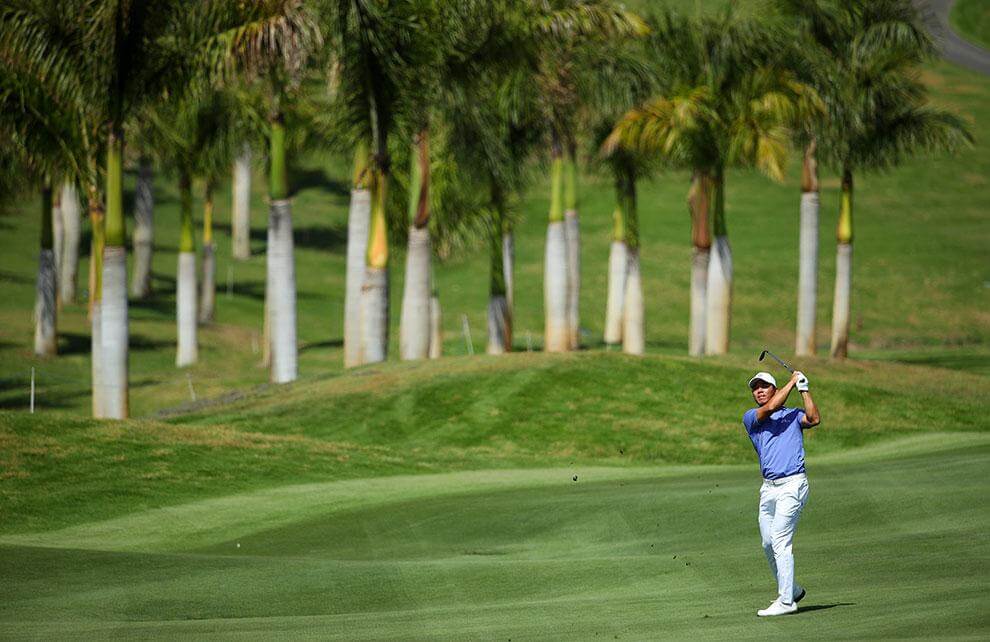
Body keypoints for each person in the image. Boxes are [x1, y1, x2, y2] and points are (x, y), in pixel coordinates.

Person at [743, 369, 820, 617]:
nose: (759, 391)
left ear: (774, 389)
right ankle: (793, 589)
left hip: (793, 485)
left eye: (764, 386)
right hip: (768, 488)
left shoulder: (793, 416)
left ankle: (786, 601)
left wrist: (804, 389)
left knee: (779, 540)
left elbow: (814, 418)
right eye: (756, 388)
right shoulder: (752, 418)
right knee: (768, 542)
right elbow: (771, 408)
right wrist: (792, 382)